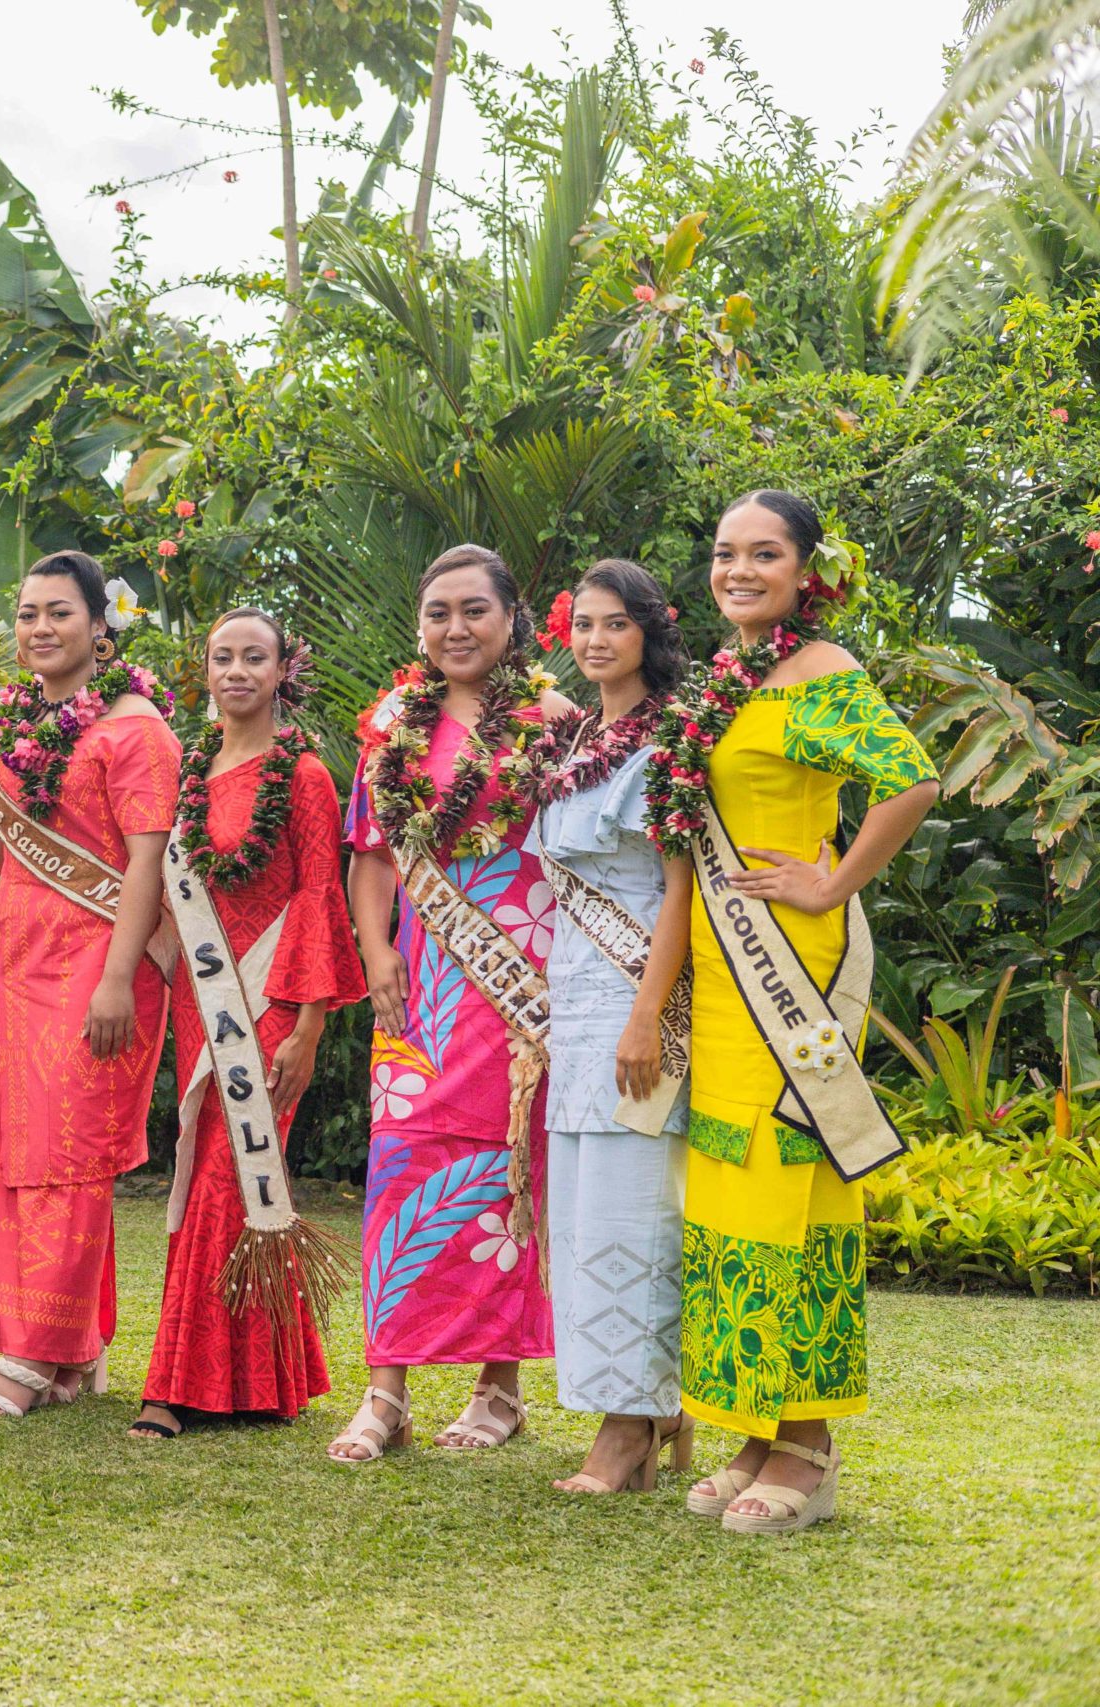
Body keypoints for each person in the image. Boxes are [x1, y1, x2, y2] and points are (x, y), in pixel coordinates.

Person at [650, 492, 938, 1534]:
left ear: (804, 569)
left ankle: (806, 1448)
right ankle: (750, 1431)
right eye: (724, 552)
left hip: (794, 976)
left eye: (762, 553)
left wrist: (835, 881)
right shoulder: (729, 684)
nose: (737, 569)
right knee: (729, 1193)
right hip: (727, 982)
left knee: (794, 1193)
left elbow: (908, 781)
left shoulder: (820, 675)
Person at [333, 544, 578, 1463]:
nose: (455, 628)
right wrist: (376, 949)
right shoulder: (395, 721)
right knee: (400, 1172)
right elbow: (367, 855)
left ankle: (499, 1387)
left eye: (474, 610)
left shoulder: (553, 721)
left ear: (512, 618)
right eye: (438, 612)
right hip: (419, 993)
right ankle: (385, 1388)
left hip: (522, 987)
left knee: (509, 1170)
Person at [130, 608, 365, 1441]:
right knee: (211, 1177)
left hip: (270, 1004)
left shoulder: (301, 775)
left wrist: (308, 1028)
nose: (236, 670)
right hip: (205, 1000)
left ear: (280, 669)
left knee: (232, 1176)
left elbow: (318, 896)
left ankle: (174, 1385)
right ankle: (267, 1381)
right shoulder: (192, 769)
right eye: (223, 656)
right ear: (207, 668)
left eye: (253, 657)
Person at [0, 550, 181, 1420]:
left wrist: (119, 976)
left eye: (59, 612)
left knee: (70, 1157)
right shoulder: (15, 728)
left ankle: (25, 1356)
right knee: (20, 1160)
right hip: (14, 963)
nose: (40, 628)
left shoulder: (137, 729)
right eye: (26, 613)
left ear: (100, 623)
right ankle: (67, 1350)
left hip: (100, 969)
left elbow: (146, 860)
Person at [528, 561, 695, 1493]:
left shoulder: (670, 737)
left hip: (642, 1002)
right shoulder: (573, 738)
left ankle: (630, 1428)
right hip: (574, 1000)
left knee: (636, 1212)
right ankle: (632, 1409)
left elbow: (678, 887)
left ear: (648, 632)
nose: (594, 640)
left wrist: (646, 1016)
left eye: (614, 624)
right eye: (583, 624)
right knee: (584, 1216)